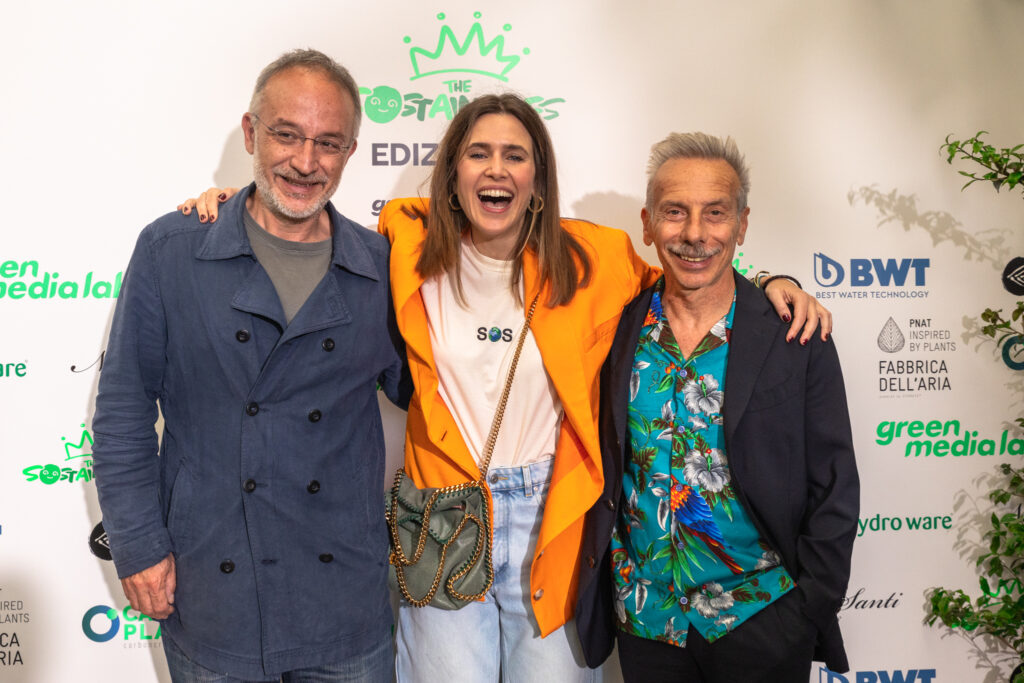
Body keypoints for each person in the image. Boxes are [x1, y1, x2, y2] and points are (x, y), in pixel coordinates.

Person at [184, 95, 830, 682]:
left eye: (515, 155)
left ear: (537, 179)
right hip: (445, 511)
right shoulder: (404, 240)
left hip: (554, 516)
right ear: (453, 173)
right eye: (479, 153)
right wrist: (248, 211)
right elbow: (314, 236)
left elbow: (691, 278)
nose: (497, 169)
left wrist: (773, 283)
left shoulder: (598, 257)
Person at [92, 49, 408, 682]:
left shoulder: (381, 266)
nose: (305, 162)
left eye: (328, 143)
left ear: (350, 152)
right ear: (250, 133)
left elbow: (423, 390)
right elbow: (123, 412)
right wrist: (139, 546)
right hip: (213, 591)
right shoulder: (172, 251)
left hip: (344, 598)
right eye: (286, 135)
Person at [574, 132, 859, 682]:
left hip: (763, 615)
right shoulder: (615, 328)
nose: (694, 234)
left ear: (742, 224)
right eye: (674, 212)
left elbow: (834, 483)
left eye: (716, 212)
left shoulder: (795, 334)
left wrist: (808, 610)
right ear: (647, 223)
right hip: (648, 620)